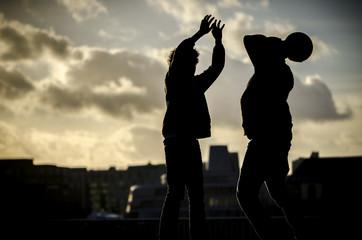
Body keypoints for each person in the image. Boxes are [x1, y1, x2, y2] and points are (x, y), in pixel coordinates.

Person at [236, 32, 313, 240]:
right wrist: (277, 45)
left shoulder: (270, 63)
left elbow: (248, 40)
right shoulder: (280, 68)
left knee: (246, 194)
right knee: (278, 192)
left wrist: (274, 43)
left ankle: (273, 238)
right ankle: (301, 234)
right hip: (277, 137)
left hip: (266, 139)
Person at [159, 15, 225, 240]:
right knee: (178, 193)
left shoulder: (196, 84)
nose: (193, 67)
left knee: (194, 196)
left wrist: (218, 42)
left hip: (187, 141)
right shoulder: (174, 79)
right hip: (177, 141)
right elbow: (182, 53)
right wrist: (200, 35)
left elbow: (216, 67)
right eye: (190, 63)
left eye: (194, 64)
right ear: (178, 64)